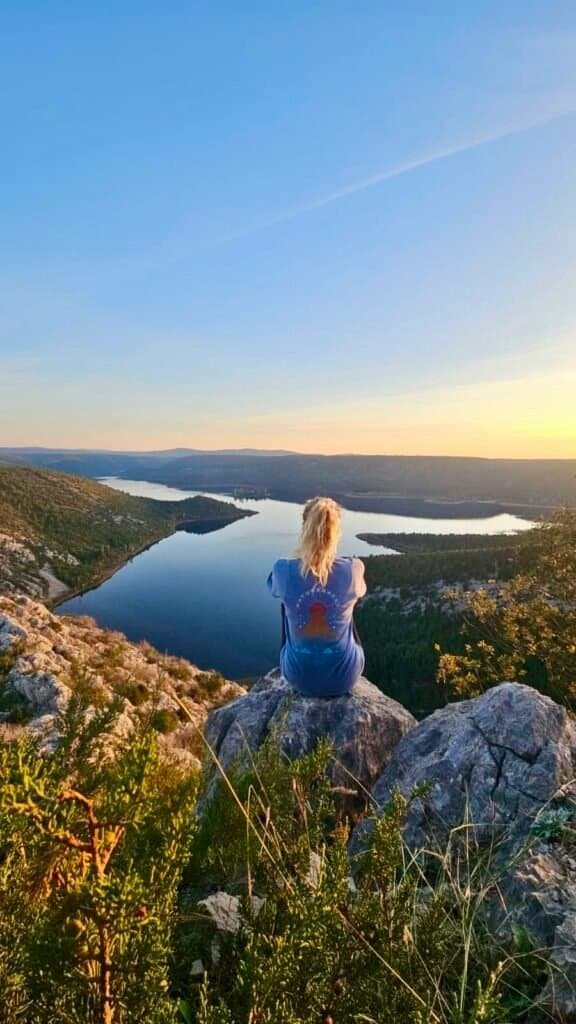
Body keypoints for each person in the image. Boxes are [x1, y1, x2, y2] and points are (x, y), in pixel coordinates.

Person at [266, 496, 367, 697]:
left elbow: (274, 589)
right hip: (344, 678)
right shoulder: (353, 569)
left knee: (286, 605)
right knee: (348, 612)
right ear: (336, 533)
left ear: (305, 528)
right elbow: (361, 592)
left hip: (297, 677)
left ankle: (301, 660)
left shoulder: (283, 569)